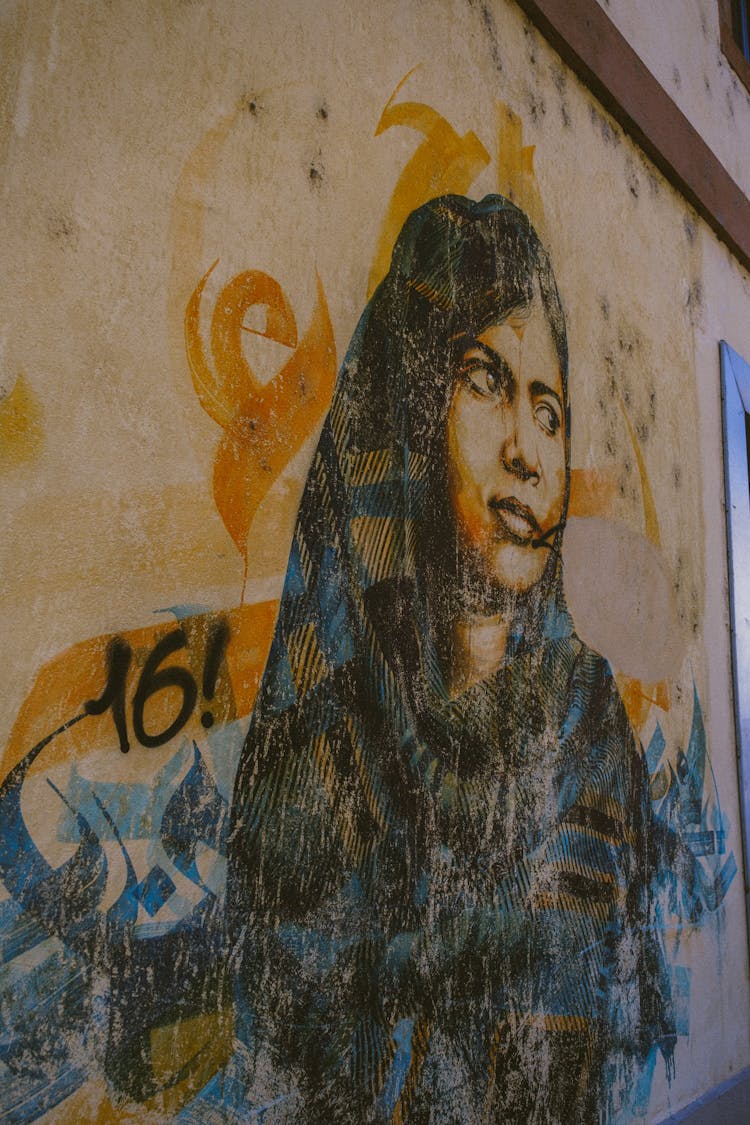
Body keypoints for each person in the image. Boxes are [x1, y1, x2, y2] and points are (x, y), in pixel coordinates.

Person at [227, 194, 675, 1122]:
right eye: (483, 381)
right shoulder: (329, 736)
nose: (527, 452)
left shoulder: (587, 720)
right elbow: (283, 1015)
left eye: (548, 410)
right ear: (411, 406)